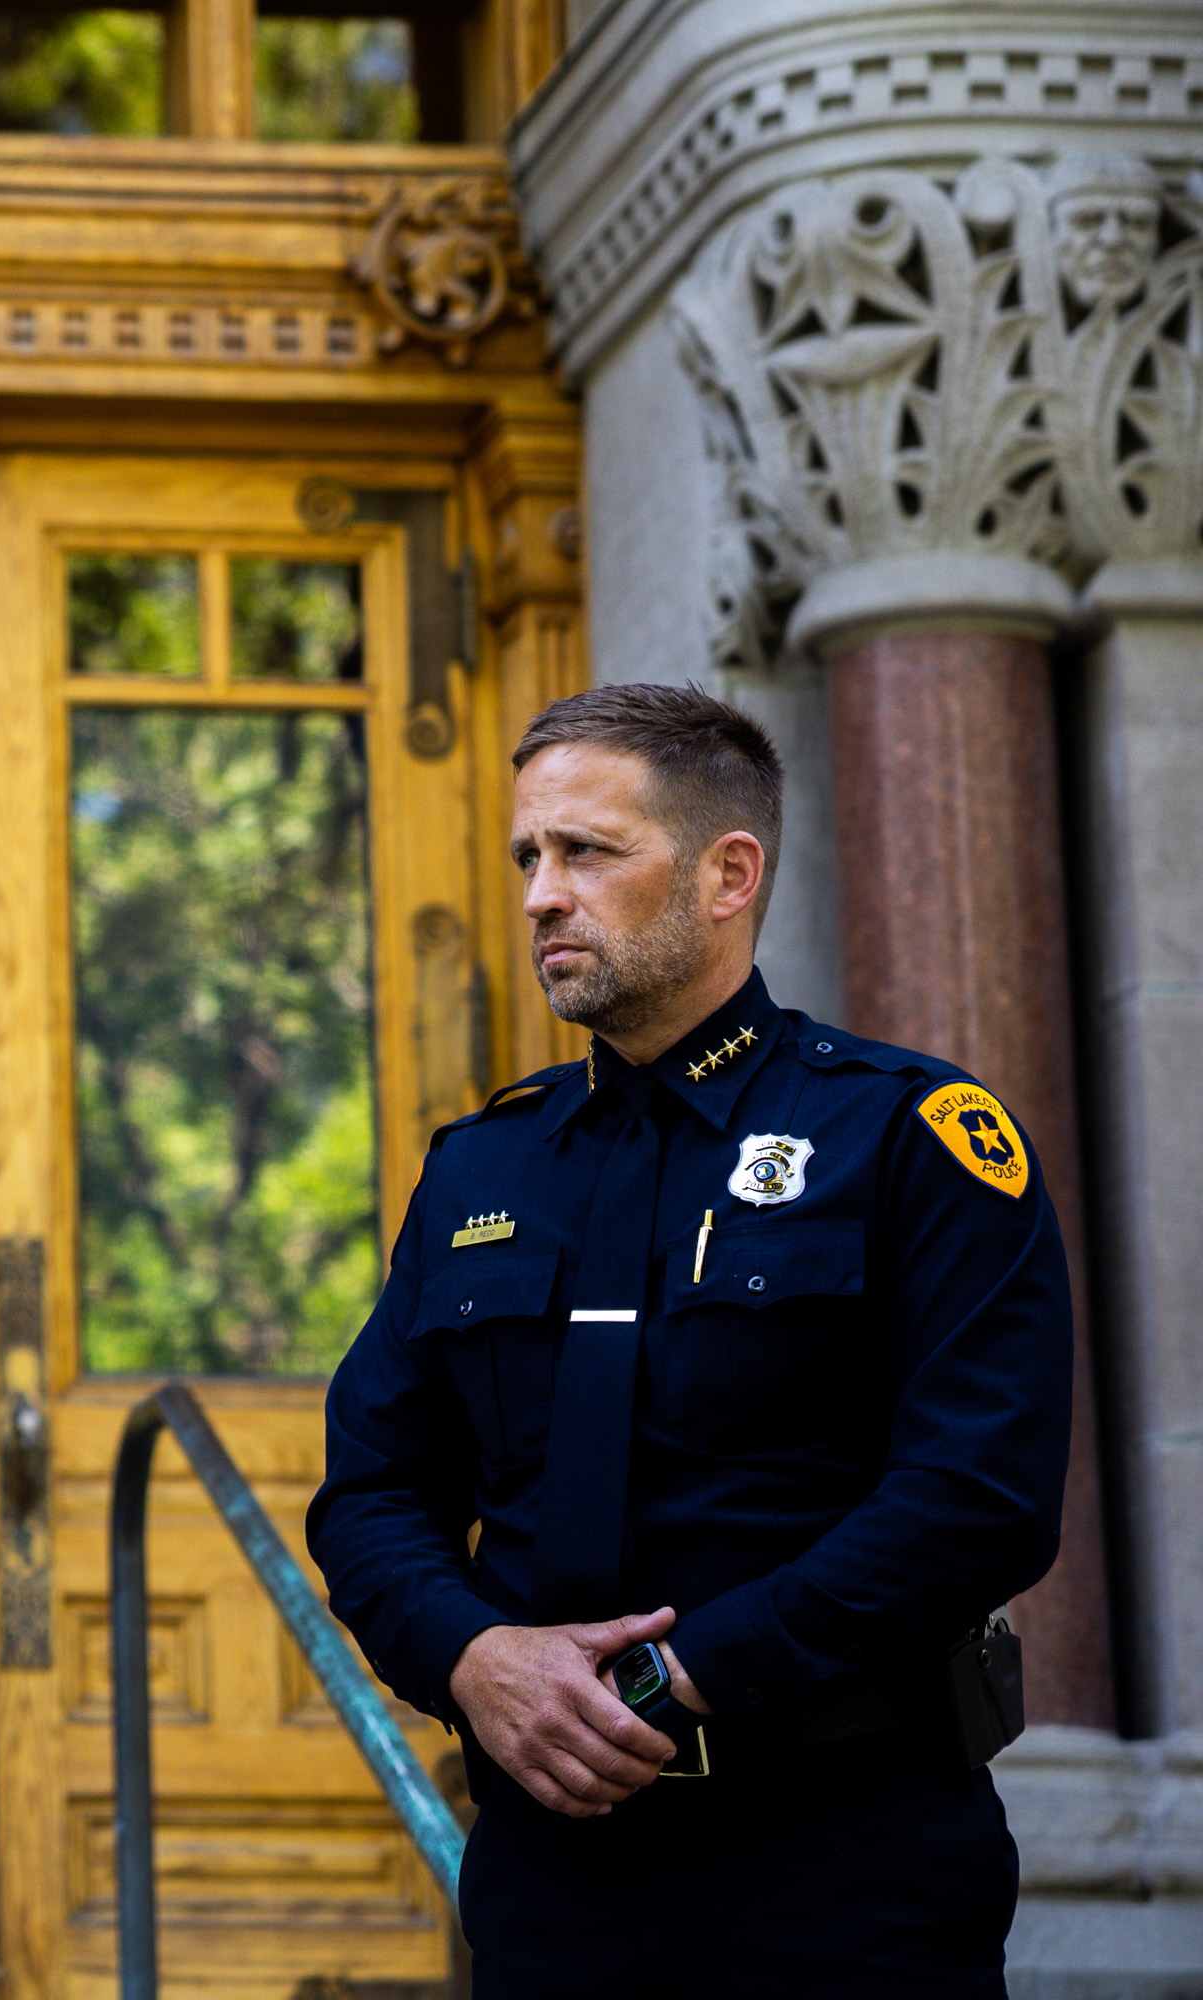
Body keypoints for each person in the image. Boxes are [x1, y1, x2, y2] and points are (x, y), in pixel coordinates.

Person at [306, 683, 1070, 1997]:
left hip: (846, 1858)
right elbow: (373, 1491)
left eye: (588, 852)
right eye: (527, 858)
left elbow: (977, 1497)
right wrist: (475, 1658)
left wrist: (687, 1674)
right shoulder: (480, 1169)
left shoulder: (907, 1137)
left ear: (729, 874)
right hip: (556, 1876)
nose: (543, 892)